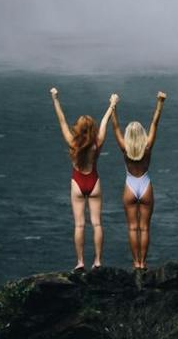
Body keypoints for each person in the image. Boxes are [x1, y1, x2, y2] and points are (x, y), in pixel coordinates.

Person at [50, 85, 117, 270]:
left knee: (79, 225)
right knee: (97, 224)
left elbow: (62, 121)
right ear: (91, 128)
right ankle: (98, 261)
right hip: (94, 182)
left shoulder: (73, 143)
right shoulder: (97, 142)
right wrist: (112, 104)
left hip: (77, 183)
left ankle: (80, 262)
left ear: (78, 128)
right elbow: (104, 122)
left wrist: (55, 99)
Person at [112, 89, 166, 270]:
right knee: (144, 228)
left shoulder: (125, 148)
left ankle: (135, 262)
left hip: (130, 185)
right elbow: (154, 123)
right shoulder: (147, 146)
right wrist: (160, 103)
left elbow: (115, 128)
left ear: (128, 135)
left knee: (132, 228)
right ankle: (143, 262)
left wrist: (113, 107)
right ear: (142, 134)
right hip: (145, 185)